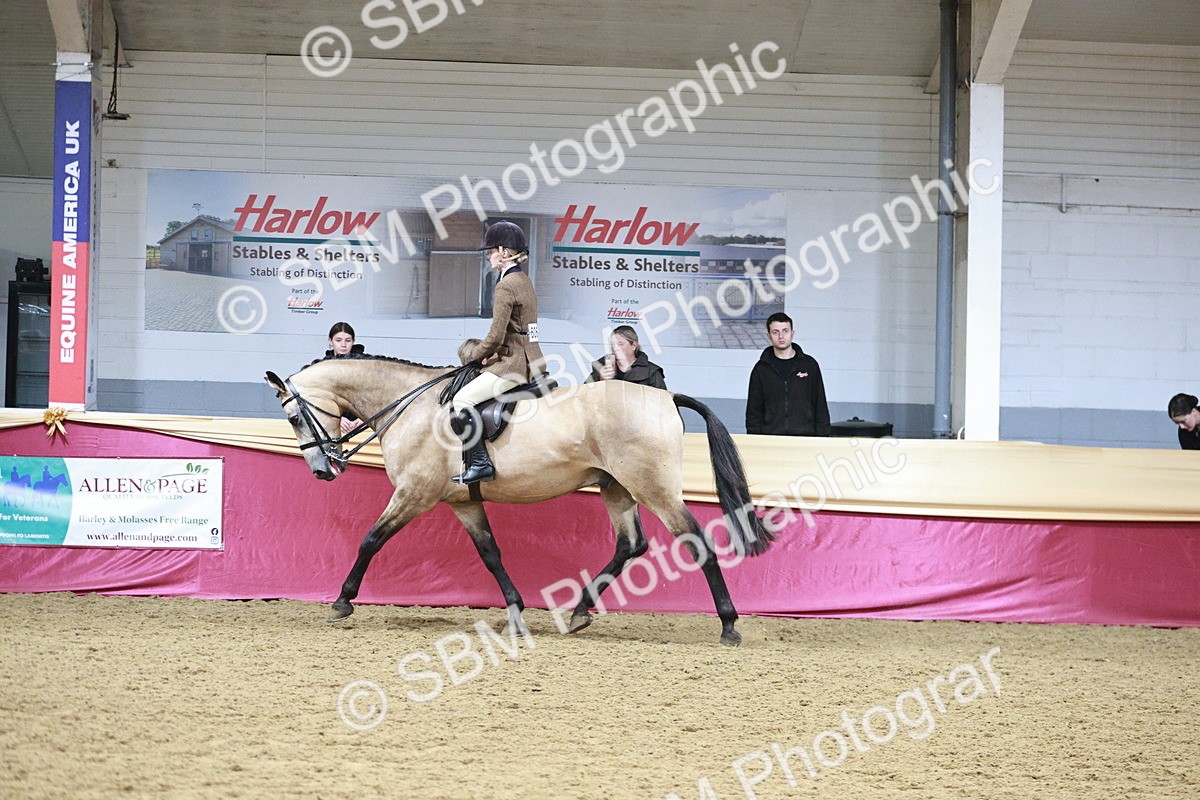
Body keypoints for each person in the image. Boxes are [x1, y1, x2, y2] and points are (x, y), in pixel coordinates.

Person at [451, 221, 545, 484]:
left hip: (514, 365)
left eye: (491, 250)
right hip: (533, 360)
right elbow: (526, 331)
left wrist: (475, 356)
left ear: (504, 252)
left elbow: (495, 336)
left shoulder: (506, 285)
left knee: (462, 400)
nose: (488, 255)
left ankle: (480, 463)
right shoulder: (524, 280)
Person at [745, 312, 830, 436]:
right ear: (769, 336)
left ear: (792, 334)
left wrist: (823, 437)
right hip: (770, 438)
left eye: (785, 331)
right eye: (775, 332)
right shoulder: (761, 369)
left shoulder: (809, 365)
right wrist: (755, 439)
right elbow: (753, 411)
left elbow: (820, 405)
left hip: (805, 437)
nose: (781, 336)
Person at [586, 325, 667, 390]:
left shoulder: (651, 371)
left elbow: (664, 401)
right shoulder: (601, 367)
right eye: (612, 344)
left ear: (634, 345)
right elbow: (584, 397)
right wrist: (600, 380)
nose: (615, 348)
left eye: (620, 344)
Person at [324, 322, 365, 433]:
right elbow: (320, 399)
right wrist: (336, 418)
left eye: (348, 340)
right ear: (330, 341)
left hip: (364, 424)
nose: (343, 345)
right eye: (338, 340)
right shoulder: (322, 367)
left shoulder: (366, 364)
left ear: (353, 341)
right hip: (332, 424)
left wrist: (365, 419)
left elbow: (375, 395)